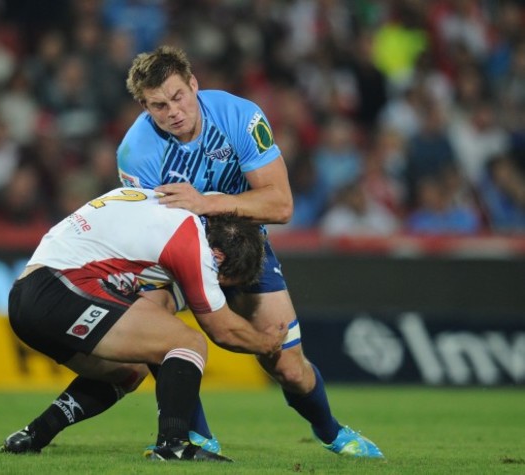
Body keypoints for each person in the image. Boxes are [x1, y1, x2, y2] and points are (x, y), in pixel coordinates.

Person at [116, 45, 384, 459]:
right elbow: (149, 233)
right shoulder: (136, 153)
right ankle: (196, 435)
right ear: (144, 106)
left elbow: (281, 205)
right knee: (156, 327)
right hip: (178, 253)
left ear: (193, 84)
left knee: (289, 367)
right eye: (158, 105)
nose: (172, 111)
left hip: (245, 247)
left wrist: (208, 202)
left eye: (178, 96)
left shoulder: (240, 117)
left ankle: (333, 433)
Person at [0, 187, 287, 461]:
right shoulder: (191, 240)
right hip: (61, 288)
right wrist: (267, 343)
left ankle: (33, 436)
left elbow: (155, 308)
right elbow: (221, 330)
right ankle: (172, 446)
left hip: (28, 299)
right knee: (189, 342)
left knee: (129, 371)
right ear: (218, 257)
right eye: (221, 281)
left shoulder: (163, 205)